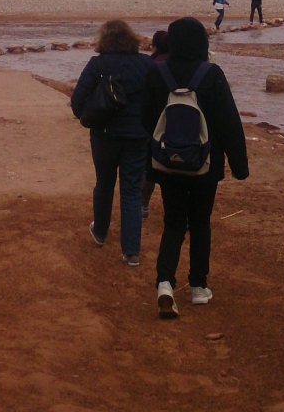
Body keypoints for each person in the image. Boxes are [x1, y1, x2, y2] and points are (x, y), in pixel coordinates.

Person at [141, 17, 249, 318]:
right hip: (206, 164)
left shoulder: (157, 73)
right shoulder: (212, 74)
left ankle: (165, 283)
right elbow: (229, 122)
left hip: (167, 164)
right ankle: (199, 287)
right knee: (201, 223)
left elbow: (145, 118)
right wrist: (239, 166)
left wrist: (164, 147)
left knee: (173, 223)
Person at [71, 19, 153, 265]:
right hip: (137, 137)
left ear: (104, 39)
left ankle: (100, 232)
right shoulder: (146, 64)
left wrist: (89, 117)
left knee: (104, 184)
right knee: (132, 192)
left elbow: (77, 101)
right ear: (131, 38)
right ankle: (131, 252)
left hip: (104, 135)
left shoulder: (98, 64)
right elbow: (157, 100)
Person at [141, 30, 170, 219]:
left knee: (149, 168)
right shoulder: (177, 64)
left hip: (153, 125)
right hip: (176, 123)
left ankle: (143, 206)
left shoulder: (151, 65)